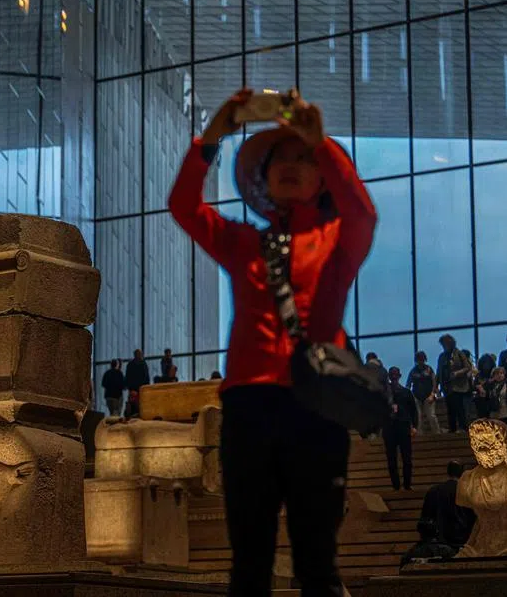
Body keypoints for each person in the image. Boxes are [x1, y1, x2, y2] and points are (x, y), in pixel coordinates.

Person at [169, 88, 376, 596]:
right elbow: (184, 207)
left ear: (322, 177)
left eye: (303, 158)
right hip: (248, 408)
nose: (290, 164)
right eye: (280, 158)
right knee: (249, 564)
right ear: (262, 178)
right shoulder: (243, 242)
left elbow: (363, 215)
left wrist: (320, 140)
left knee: (317, 565)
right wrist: (212, 135)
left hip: (317, 406)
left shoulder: (337, 242)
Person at [419, 461, 476, 550]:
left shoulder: (434, 491)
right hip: (463, 539)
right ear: (462, 473)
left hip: (440, 540)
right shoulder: (469, 492)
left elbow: (426, 518)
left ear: (448, 472)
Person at [383, 367, 419, 491]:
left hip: (403, 426)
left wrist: (414, 426)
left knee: (407, 458)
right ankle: (396, 486)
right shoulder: (384, 394)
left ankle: (407, 485)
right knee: (391, 459)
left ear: (399, 376)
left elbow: (413, 410)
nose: (394, 377)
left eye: (395, 375)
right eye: (392, 375)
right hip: (389, 427)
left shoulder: (406, 392)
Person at [437, 335, 474, 433]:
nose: (444, 346)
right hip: (447, 386)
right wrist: (436, 387)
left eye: (445, 344)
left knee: (460, 407)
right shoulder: (442, 357)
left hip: (459, 386)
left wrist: (457, 373)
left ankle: (462, 427)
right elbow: (438, 372)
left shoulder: (459, 354)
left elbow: (467, 367)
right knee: (450, 408)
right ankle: (452, 428)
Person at [406, 351, 440, 434]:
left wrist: (432, 394)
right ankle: (420, 435)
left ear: (425, 359)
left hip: (428, 396)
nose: (420, 361)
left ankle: (437, 433)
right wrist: (410, 397)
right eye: (418, 359)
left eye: (422, 359)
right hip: (416, 397)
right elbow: (408, 385)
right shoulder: (413, 371)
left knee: (431, 416)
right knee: (418, 417)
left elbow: (434, 383)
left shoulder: (429, 369)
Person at [124, 349, 150, 418]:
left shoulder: (131, 364)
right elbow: (146, 377)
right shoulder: (143, 364)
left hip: (135, 389)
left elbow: (127, 377)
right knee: (138, 407)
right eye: (140, 354)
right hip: (139, 389)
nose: (141, 355)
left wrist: (129, 388)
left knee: (133, 407)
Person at [473, 353, 496, 419]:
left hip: (492, 401)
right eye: (485, 363)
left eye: (488, 363)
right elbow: (474, 387)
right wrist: (478, 388)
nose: (486, 365)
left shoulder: (494, 374)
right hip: (480, 401)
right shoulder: (478, 375)